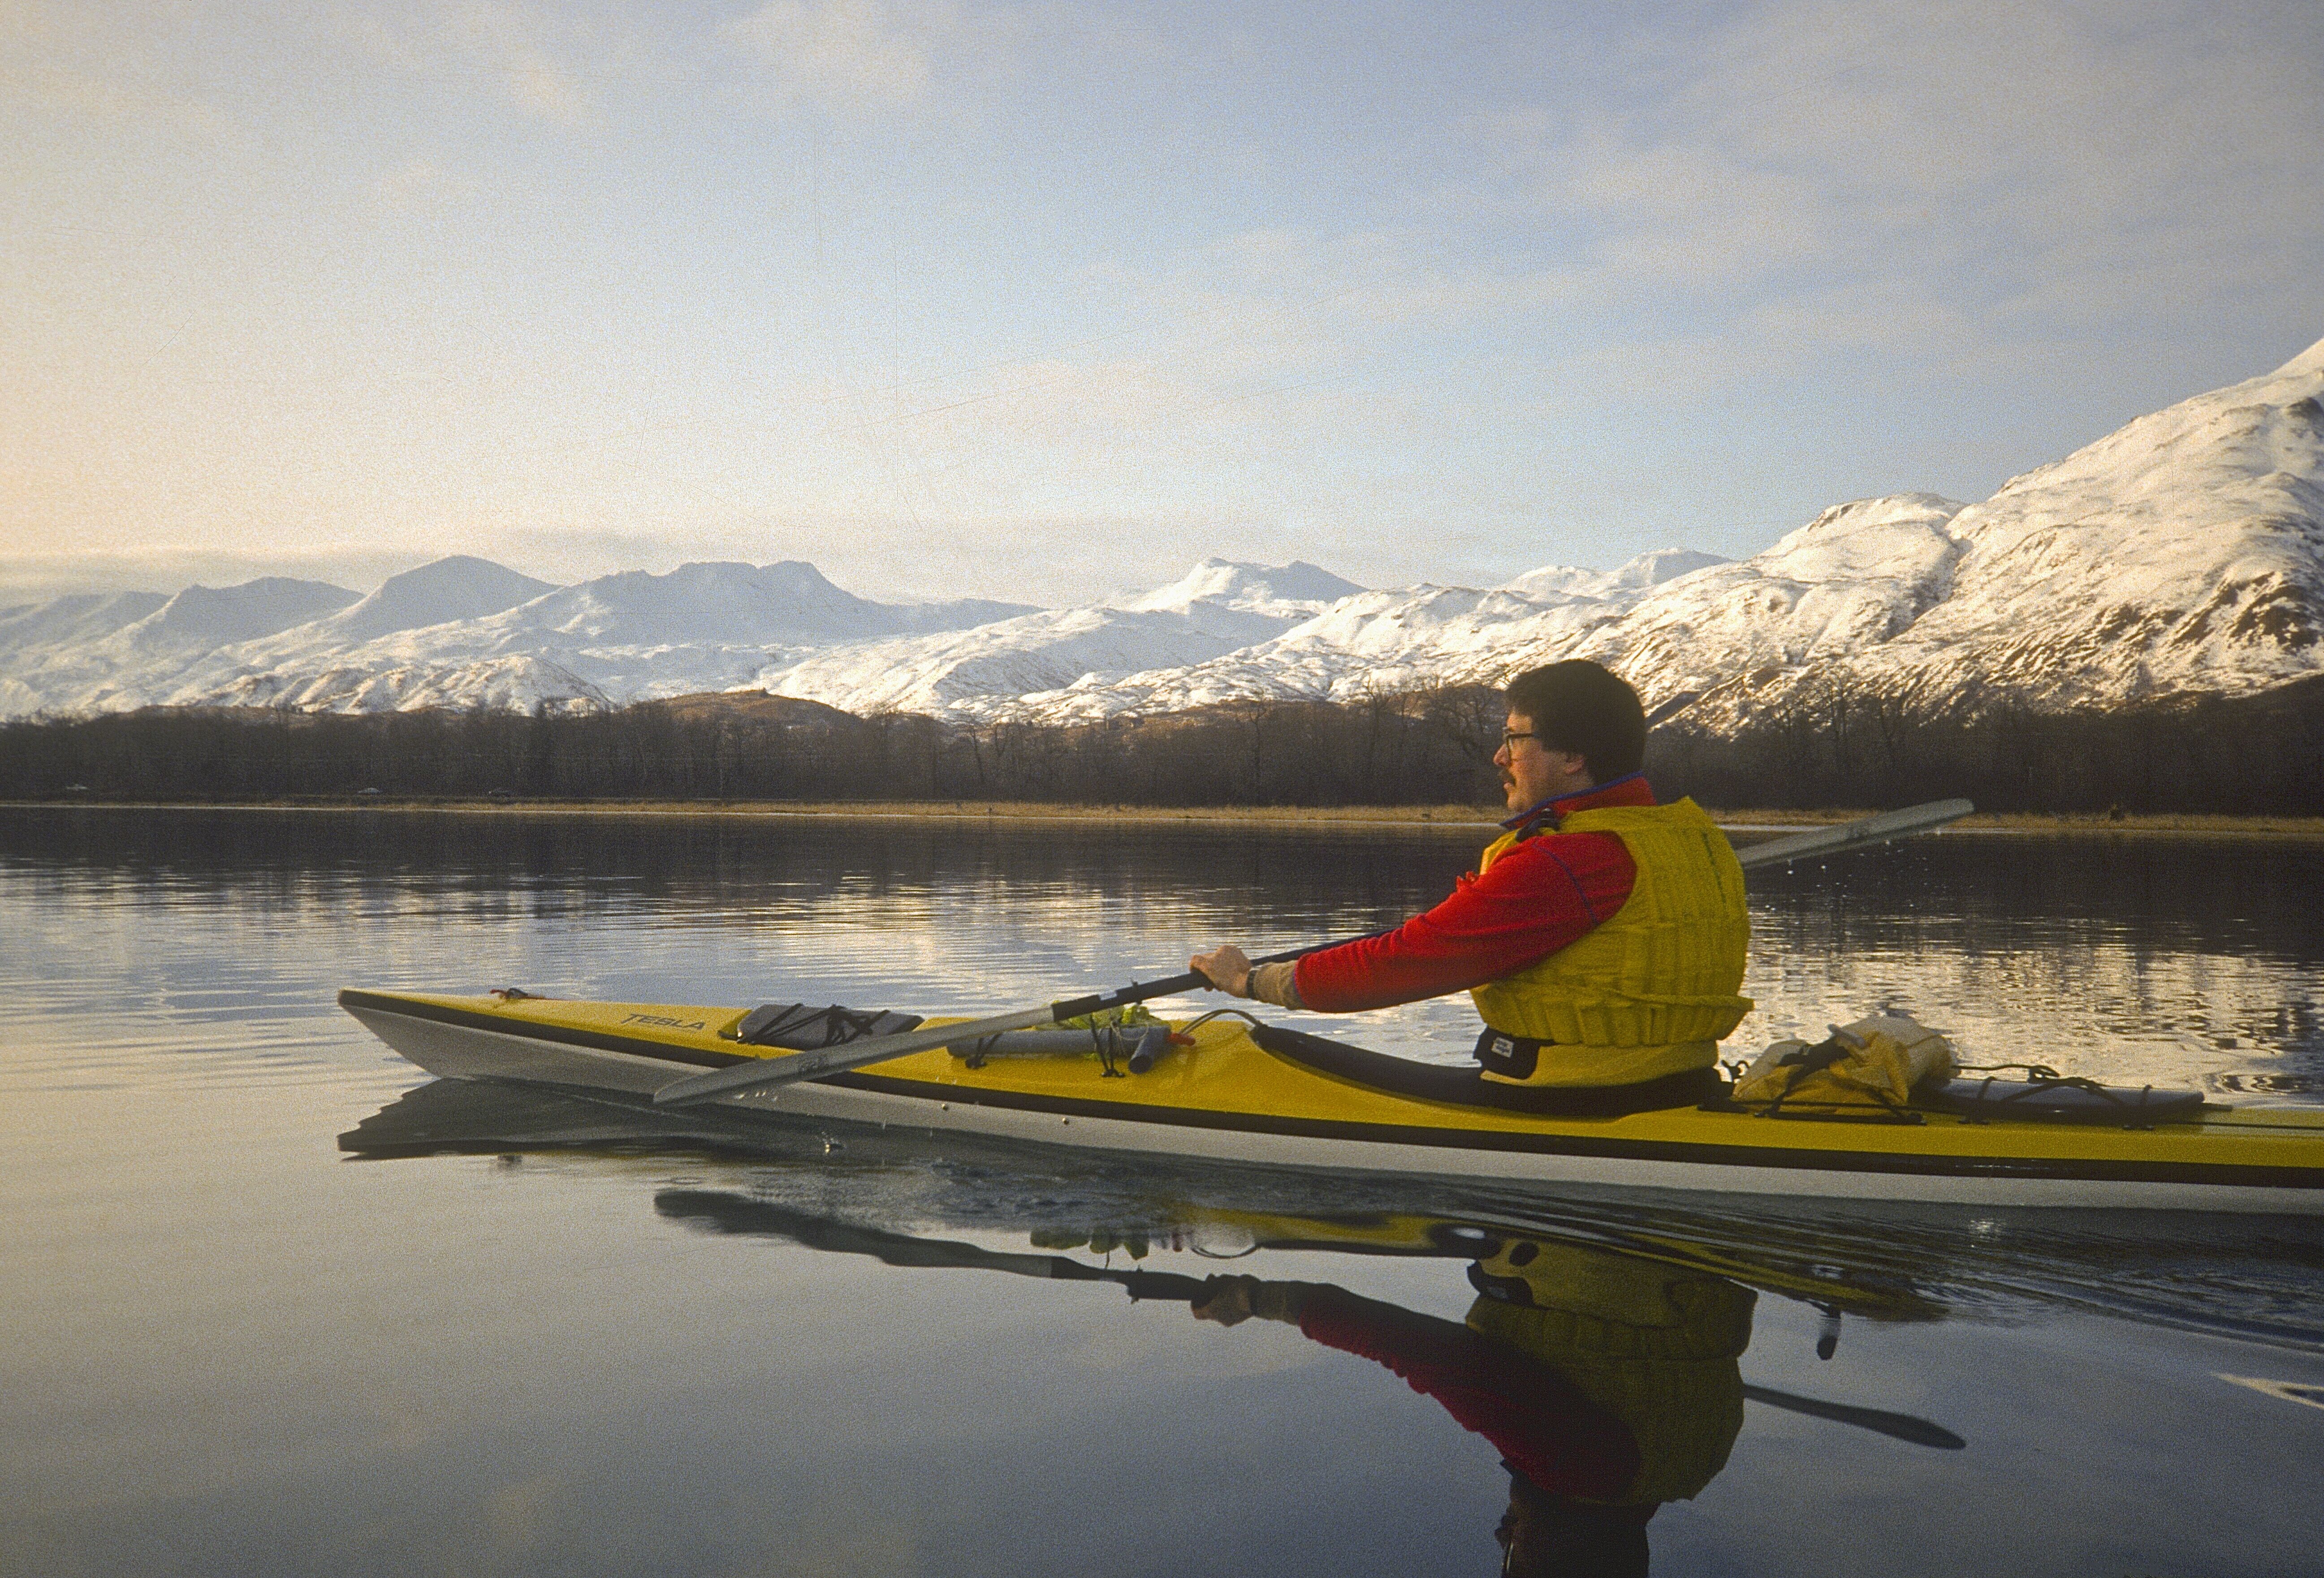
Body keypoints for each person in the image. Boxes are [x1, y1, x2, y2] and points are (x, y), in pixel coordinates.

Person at [1190, 660, 1751, 1095]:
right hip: (1681, 1081)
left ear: (1573, 756)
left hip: (1570, 1095)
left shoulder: (1568, 859)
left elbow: (1404, 963)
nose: (1499, 757)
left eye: (1514, 738)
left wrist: (1249, 982)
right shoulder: (1688, 838)